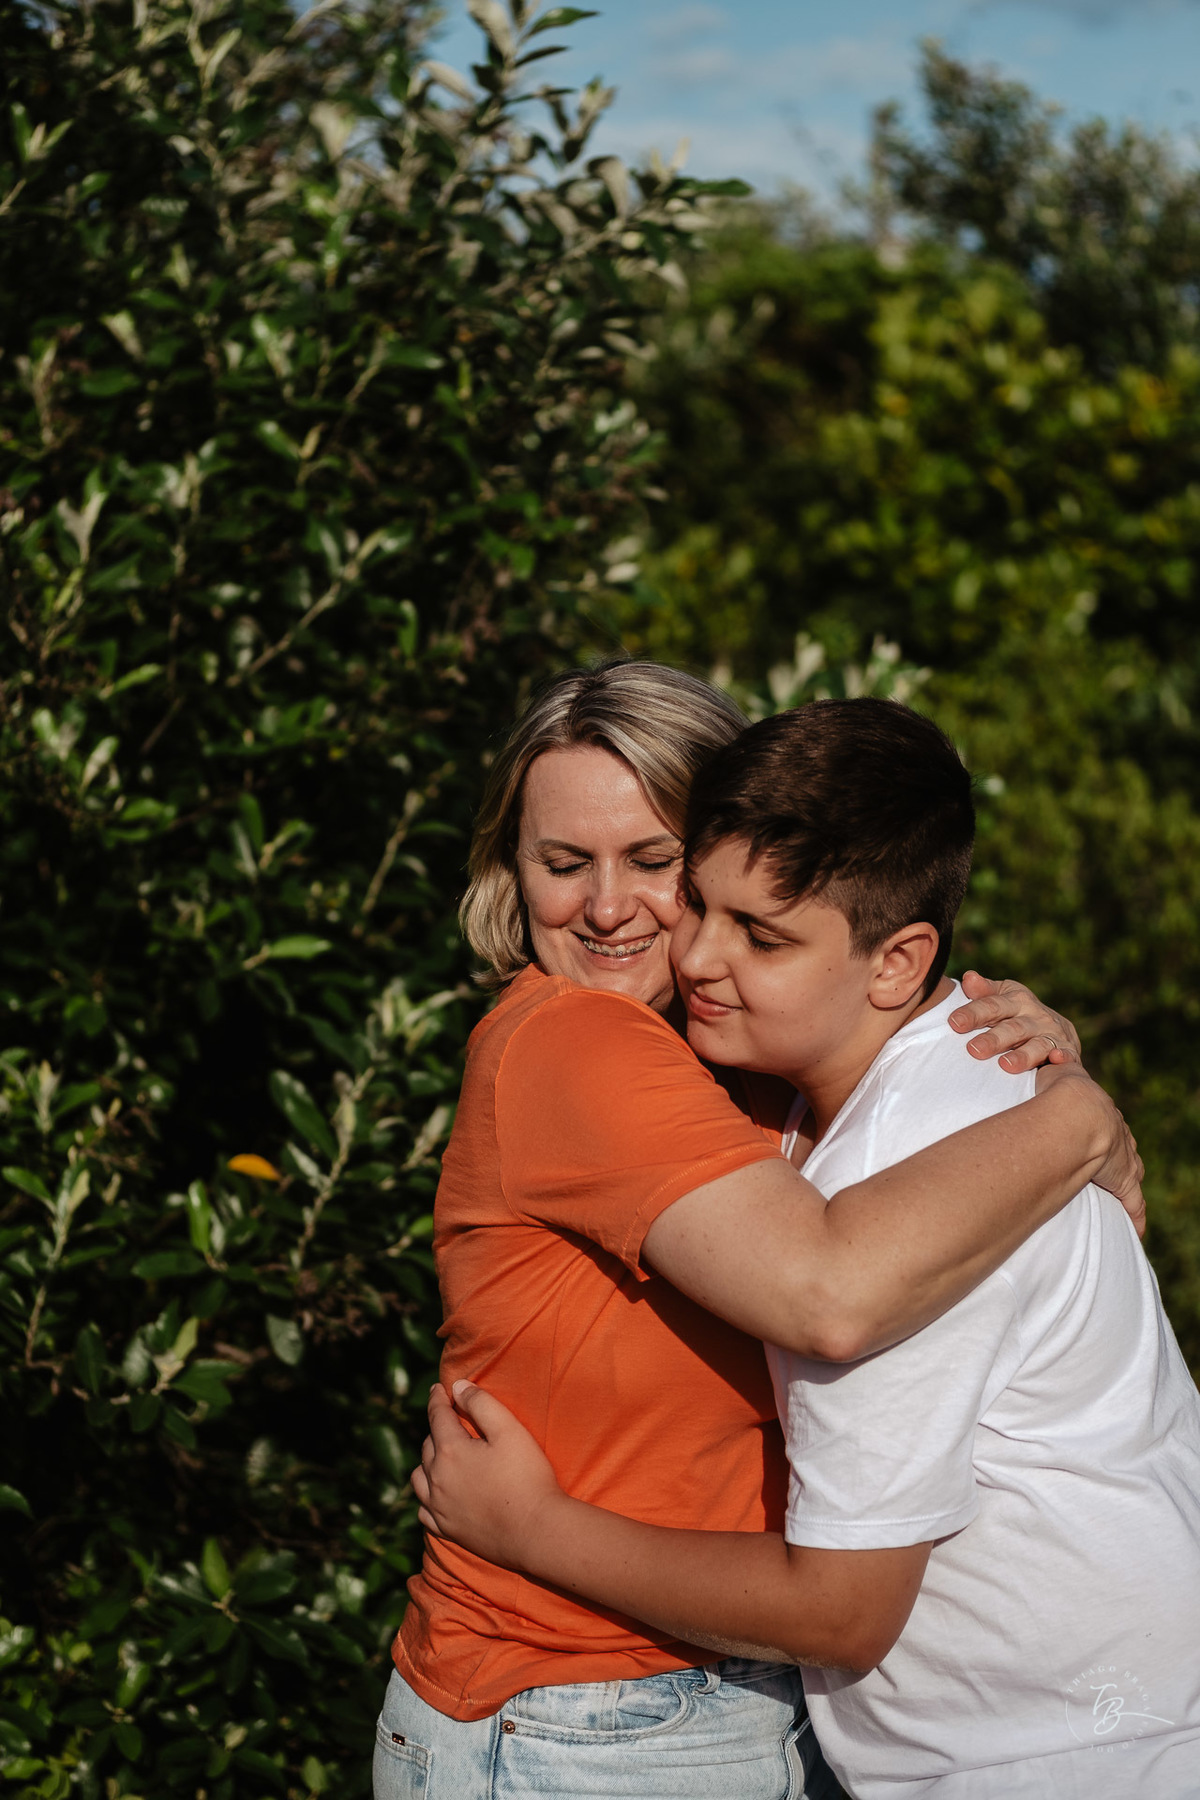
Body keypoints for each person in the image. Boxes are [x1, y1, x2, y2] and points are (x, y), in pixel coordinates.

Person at [375, 662, 1141, 1800]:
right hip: (574, 1712)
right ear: (509, 870)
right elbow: (827, 1293)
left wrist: (1024, 1068)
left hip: (695, 1698)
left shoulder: (745, 1058)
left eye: (653, 862)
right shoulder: (577, 1043)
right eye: (561, 862)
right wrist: (1075, 1117)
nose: (605, 907)